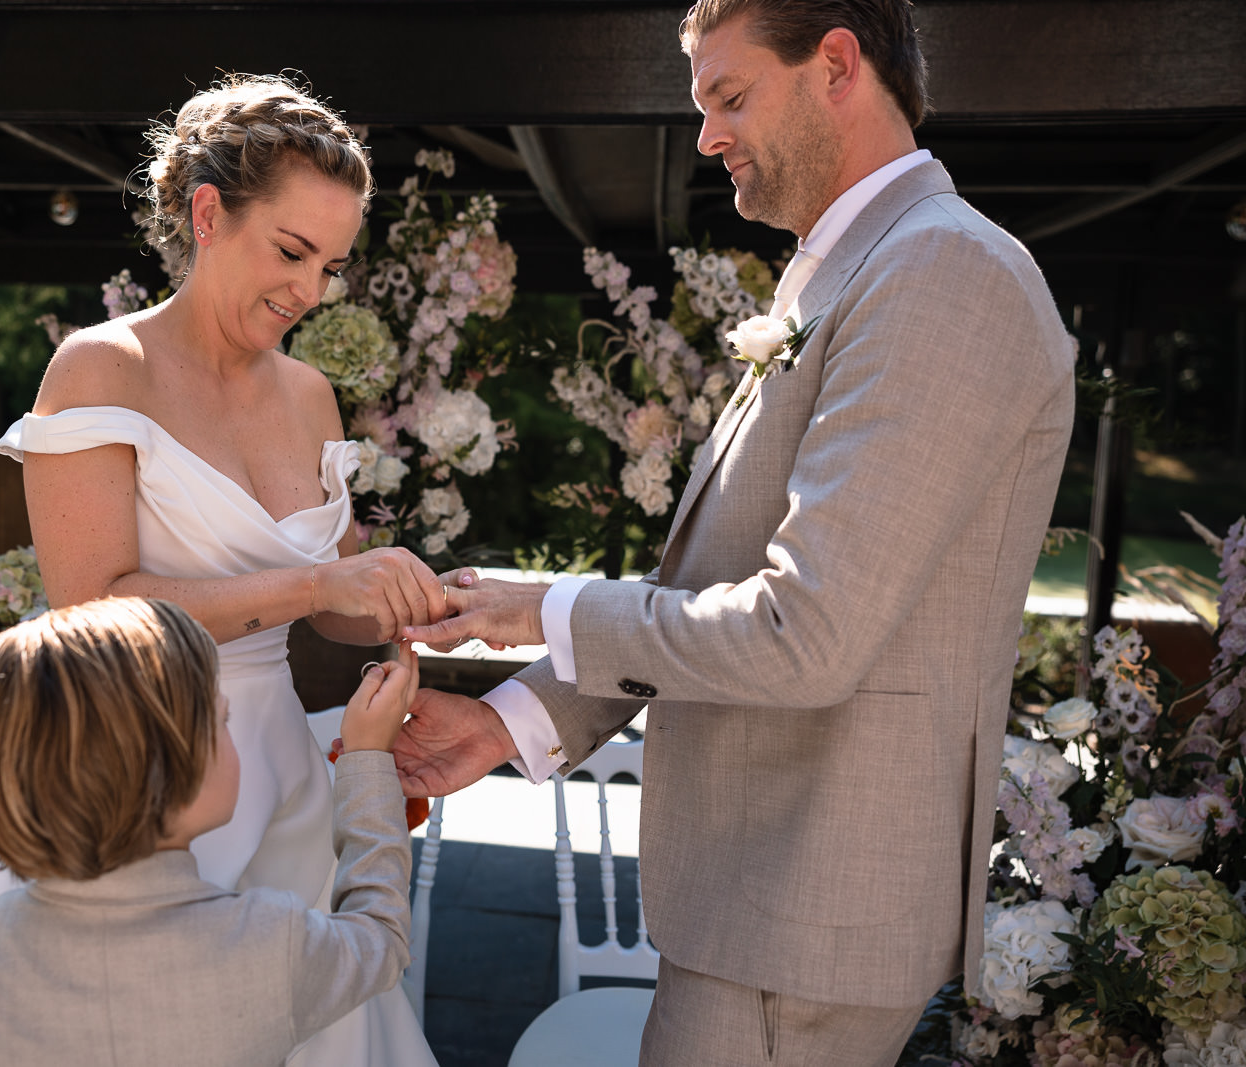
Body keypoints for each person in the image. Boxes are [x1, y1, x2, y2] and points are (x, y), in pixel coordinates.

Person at [397, 2, 1077, 1063]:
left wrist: (541, 605)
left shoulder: (943, 273)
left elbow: (799, 631)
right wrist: (509, 723)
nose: (708, 135)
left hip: (803, 911)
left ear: (837, 65)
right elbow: (713, 576)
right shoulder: (867, 267)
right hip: (760, 903)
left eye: (729, 96)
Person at [0, 74, 442, 1067]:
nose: (310, 290)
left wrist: (407, 597)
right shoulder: (101, 368)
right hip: (131, 770)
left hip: (286, 779)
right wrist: (315, 588)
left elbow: (337, 603)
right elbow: (95, 609)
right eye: (293, 251)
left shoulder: (309, 394)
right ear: (210, 214)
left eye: (331, 265)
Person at [0, 598, 421, 1067]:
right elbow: (381, 933)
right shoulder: (270, 942)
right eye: (223, 722)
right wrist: (367, 758)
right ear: (180, 769)